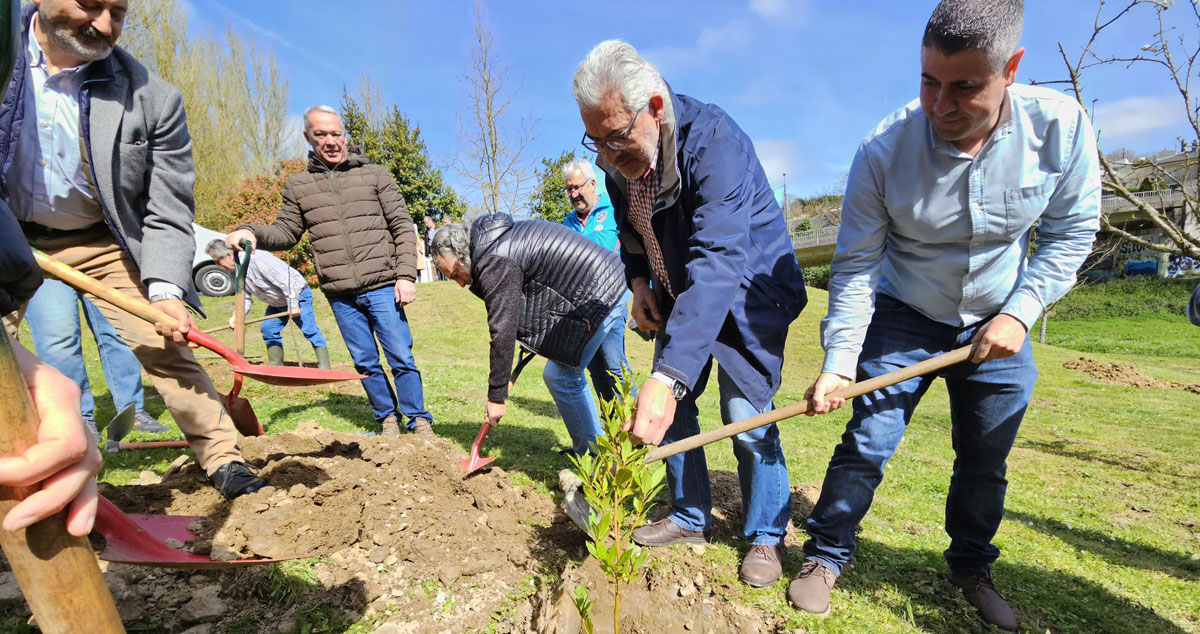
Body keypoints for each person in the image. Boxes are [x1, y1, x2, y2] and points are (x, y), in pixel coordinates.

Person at [789, 2, 1101, 629]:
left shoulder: (1061, 129)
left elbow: (1072, 232)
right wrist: (840, 363)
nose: (941, 105)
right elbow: (853, 267)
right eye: (929, 81)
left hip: (1000, 316)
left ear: (1010, 68)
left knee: (985, 454)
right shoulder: (883, 151)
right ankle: (826, 553)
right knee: (869, 440)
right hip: (906, 312)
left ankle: (970, 566)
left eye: (964, 87)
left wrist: (1021, 311)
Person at [0, 0, 264, 499]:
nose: (104, 24)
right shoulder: (1, 50)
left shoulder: (153, 98)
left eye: (117, 11)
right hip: (7, 232)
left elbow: (167, 206)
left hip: (99, 240)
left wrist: (164, 290)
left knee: (165, 345)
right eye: (89, 4)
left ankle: (224, 459)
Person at [571, 41, 807, 589]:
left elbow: (720, 258)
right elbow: (634, 233)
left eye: (616, 138)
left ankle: (766, 536)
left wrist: (668, 375)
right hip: (681, 291)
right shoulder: (619, 163)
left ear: (655, 107)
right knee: (673, 410)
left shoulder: (716, 143)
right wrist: (639, 282)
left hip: (749, 292)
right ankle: (689, 515)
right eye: (595, 142)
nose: (607, 156)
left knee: (745, 412)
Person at [225, 105, 434, 439]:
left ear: (344, 135)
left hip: (383, 284)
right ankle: (387, 420)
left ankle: (418, 420)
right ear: (309, 137)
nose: (331, 141)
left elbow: (401, 227)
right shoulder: (299, 186)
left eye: (336, 133)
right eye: (321, 135)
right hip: (340, 294)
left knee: (400, 356)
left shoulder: (375, 175)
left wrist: (406, 275)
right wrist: (252, 231)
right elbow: (286, 233)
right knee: (365, 362)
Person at [431, 214, 631, 456]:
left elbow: (501, 329)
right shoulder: (494, 243)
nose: (460, 284)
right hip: (604, 283)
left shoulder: (494, 260)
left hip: (601, 290)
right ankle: (610, 447)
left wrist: (496, 396)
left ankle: (592, 456)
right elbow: (536, 294)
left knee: (562, 376)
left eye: (454, 274)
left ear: (463, 256)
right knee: (598, 370)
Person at [25, 279, 170, 439]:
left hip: (96, 258)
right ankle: (77, 417)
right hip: (44, 263)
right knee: (59, 338)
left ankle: (132, 412)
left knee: (117, 331)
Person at [560, 159, 632, 405]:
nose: (574, 194)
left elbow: (635, 250)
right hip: (581, 310)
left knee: (614, 363)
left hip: (612, 301)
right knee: (596, 369)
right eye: (569, 189)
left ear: (592, 183)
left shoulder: (613, 211)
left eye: (577, 187)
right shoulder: (567, 224)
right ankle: (611, 432)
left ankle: (633, 425)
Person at [204, 240, 330, 369]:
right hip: (276, 302)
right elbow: (245, 298)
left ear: (228, 255)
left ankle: (325, 368)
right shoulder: (235, 271)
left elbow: (287, 281)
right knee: (268, 329)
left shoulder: (257, 258)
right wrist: (237, 316)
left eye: (217, 261)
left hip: (297, 294)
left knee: (309, 329)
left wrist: (293, 304)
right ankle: (276, 366)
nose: (218, 266)